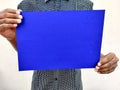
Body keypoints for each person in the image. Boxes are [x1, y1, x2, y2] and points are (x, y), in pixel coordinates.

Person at [0, 0, 119, 90]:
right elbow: (30, 51)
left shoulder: (84, 4)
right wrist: (12, 37)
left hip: (73, 86)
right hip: (40, 86)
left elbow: (82, 47)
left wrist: (104, 60)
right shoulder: (27, 6)